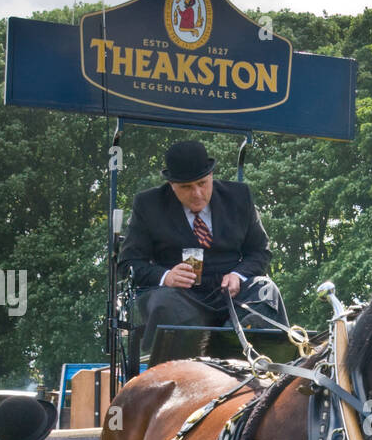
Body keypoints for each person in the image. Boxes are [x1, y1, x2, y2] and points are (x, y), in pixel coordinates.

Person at [119, 139, 288, 367]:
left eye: (202, 183)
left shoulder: (240, 197)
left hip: (232, 296)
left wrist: (239, 274)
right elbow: (128, 263)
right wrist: (165, 276)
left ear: (211, 177)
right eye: (186, 187)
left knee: (266, 291)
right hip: (181, 297)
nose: (197, 193)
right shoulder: (148, 205)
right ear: (171, 184)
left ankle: (247, 365)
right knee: (164, 303)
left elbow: (260, 252)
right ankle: (177, 377)